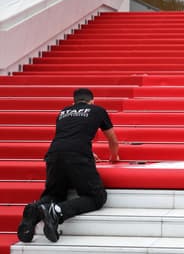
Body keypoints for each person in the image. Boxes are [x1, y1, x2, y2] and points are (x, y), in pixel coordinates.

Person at [17, 88, 119, 243]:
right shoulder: (97, 110)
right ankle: (57, 212)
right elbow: (112, 139)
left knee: (55, 194)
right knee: (96, 197)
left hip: (54, 154)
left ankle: (35, 209)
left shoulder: (64, 112)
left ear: (73, 102)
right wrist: (114, 157)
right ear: (92, 101)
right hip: (77, 156)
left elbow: (69, 136)